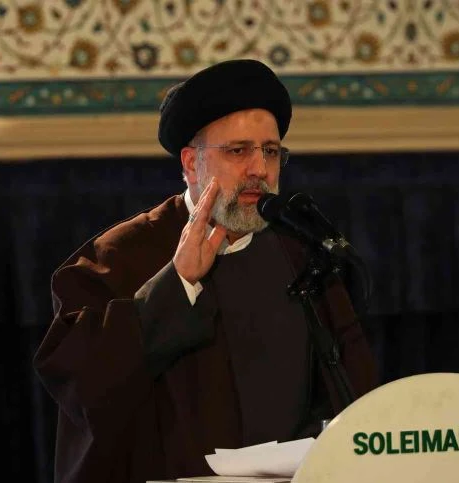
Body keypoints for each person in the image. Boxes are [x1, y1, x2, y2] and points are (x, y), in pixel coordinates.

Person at [33, 59, 378, 483]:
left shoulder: (302, 254)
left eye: (270, 151)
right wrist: (177, 283)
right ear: (191, 163)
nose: (259, 169)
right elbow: (81, 385)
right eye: (238, 151)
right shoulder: (120, 256)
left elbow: (353, 396)